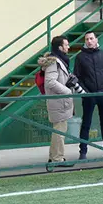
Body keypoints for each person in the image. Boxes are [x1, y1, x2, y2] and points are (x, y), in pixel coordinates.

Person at [38, 36, 83, 168]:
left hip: (60, 102)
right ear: (60, 47)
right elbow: (50, 82)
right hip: (59, 102)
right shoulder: (54, 62)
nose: (68, 47)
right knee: (59, 131)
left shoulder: (59, 61)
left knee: (59, 130)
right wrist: (67, 91)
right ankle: (58, 158)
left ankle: (54, 157)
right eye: (66, 45)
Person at [74, 32, 103, 160]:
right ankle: (83, 152)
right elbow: (77, 77)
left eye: (91, 38)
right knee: (86, 123)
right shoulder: (80, 57)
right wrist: (85, 92)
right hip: (89, 95)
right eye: (87, 39)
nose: (89, 41)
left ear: (96, 40)